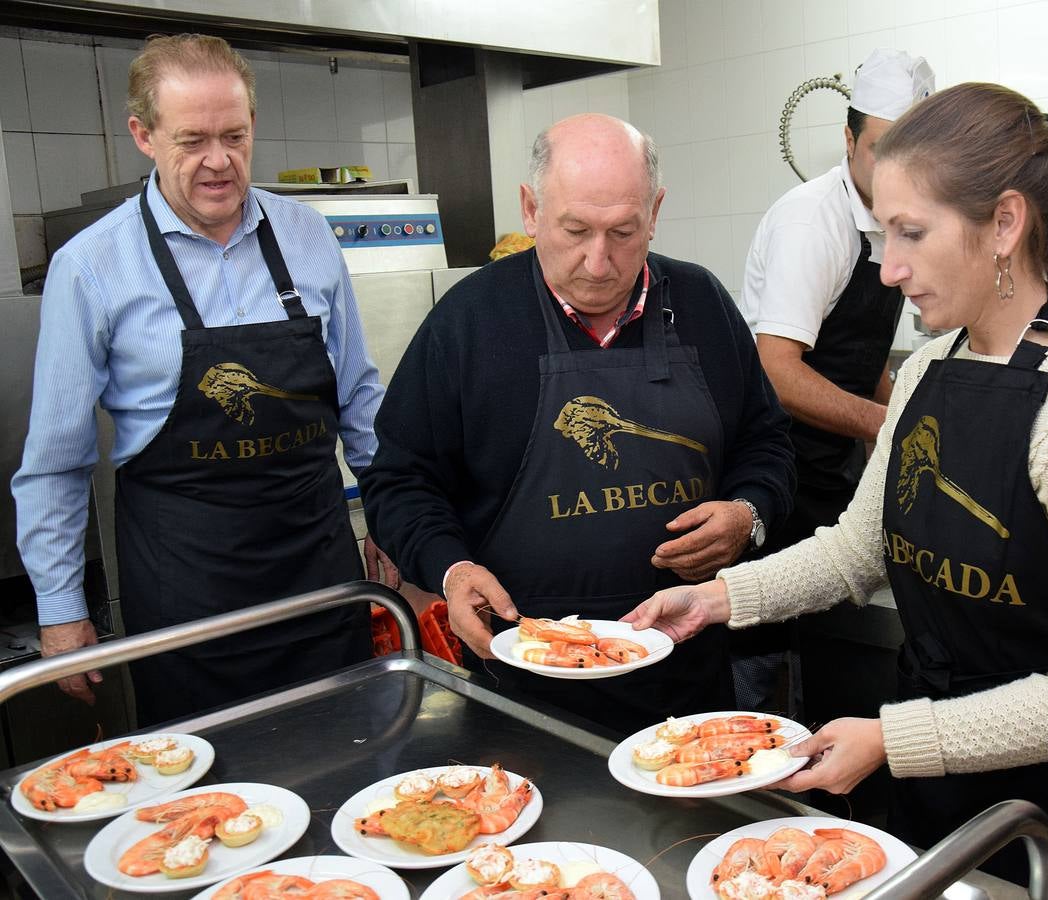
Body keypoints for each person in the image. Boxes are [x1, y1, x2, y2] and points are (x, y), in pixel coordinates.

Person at [626, 83, 1048, 894]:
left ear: (1004, 224)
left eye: (911, 233)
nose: (889, 270)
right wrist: (714, 599)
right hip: (949, 798)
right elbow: (858, 550)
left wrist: (894, 738)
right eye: (884, 231)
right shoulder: (927, 370)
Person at [360, 114, 796, 736]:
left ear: (656, 212)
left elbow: (767, 443)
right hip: (523, 679)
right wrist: (451, 569)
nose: (599, 262)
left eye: (623, 232)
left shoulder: (702, 305)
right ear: (531, 210)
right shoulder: (469, 322)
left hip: (687, 677)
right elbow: (400, 480)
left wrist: (750, 514)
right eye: (575, 230)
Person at [12, 34, 396, 726]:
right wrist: (62, 612)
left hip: (319, 579)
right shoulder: (91, 267)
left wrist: (394, 522)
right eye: (192, 140)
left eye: (236, 136)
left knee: (351, 760)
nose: (219, 162)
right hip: (189, 594)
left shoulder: (308, 236)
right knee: (207, 803)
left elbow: (360, 399)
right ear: (143, 135)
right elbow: (56, 462)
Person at [732, 48, 934, 713]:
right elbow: (775, 369)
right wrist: (885, 425)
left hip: (829, 462)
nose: (895, 171)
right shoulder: (810, 224)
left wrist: (903, 411)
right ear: (848, 140)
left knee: (827, 644)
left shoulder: (890, 224)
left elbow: (856, 353)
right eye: (880, 149)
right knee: (775, 655)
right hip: (776, 467)